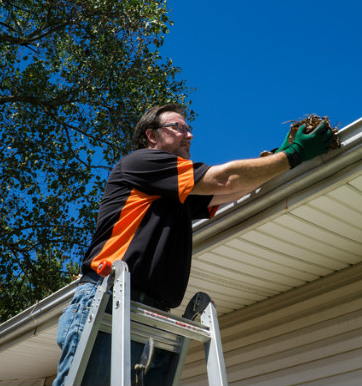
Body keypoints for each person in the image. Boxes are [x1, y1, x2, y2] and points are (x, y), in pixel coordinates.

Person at [53, 103, 334, 386]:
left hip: (149, 312)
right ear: (152, 136)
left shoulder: (176, 193)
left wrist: (278, 158)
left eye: (189, 129)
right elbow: (225, 179)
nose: (189, 136)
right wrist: (293, 155)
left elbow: (234, 189)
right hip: (109, 299)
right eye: (179, 128)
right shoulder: (141, 163)